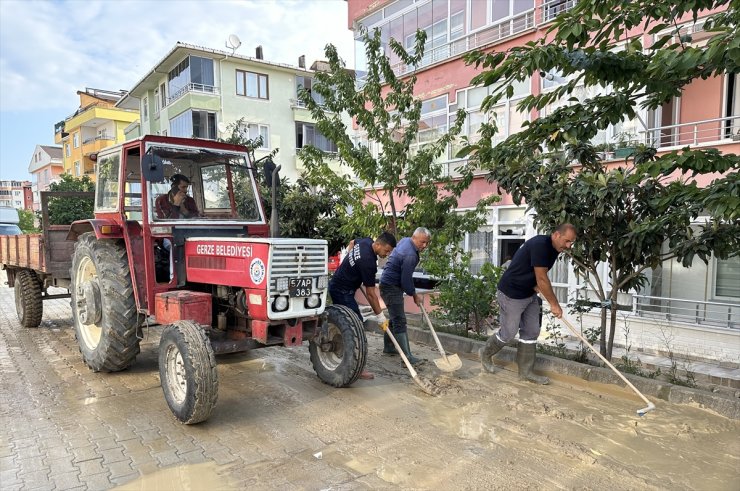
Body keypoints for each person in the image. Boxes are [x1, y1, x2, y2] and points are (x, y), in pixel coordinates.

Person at [480, 223, 577, 384]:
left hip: (528, 292)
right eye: (567, 241)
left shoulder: (554, 249)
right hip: (511, 293)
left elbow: (533, 271)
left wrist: (534, 283)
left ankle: (525, 372)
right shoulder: (541, 245)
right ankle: (485, 352)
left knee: (532, 330)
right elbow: (542, 278)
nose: (569, 246)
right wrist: (554, 304)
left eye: (571, 243)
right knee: (509, 333)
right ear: (556, 235)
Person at [329, 232, 397, 380]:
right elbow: (371, 294)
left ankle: (347, 358)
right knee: (356, 327)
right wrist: (380, 317)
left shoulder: (366, 242)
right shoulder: (368, 263)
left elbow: (352, 242)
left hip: (339, 285)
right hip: (342, 291)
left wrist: (347, 257)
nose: (387, 254)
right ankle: (355, 367)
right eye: (387, 251)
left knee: (349, 326)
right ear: (378, 245)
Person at [379, 227, 431, 366]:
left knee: (395, 317)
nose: (424, 246)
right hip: (391, 287)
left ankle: (389, 347)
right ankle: (407, 357)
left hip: (387, 284)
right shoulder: (410, 254)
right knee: (400, 320)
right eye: (422, 242)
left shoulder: (406, 241)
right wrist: (414, 295)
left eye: (427, 243)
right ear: (415, 238)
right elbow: (406, 280)